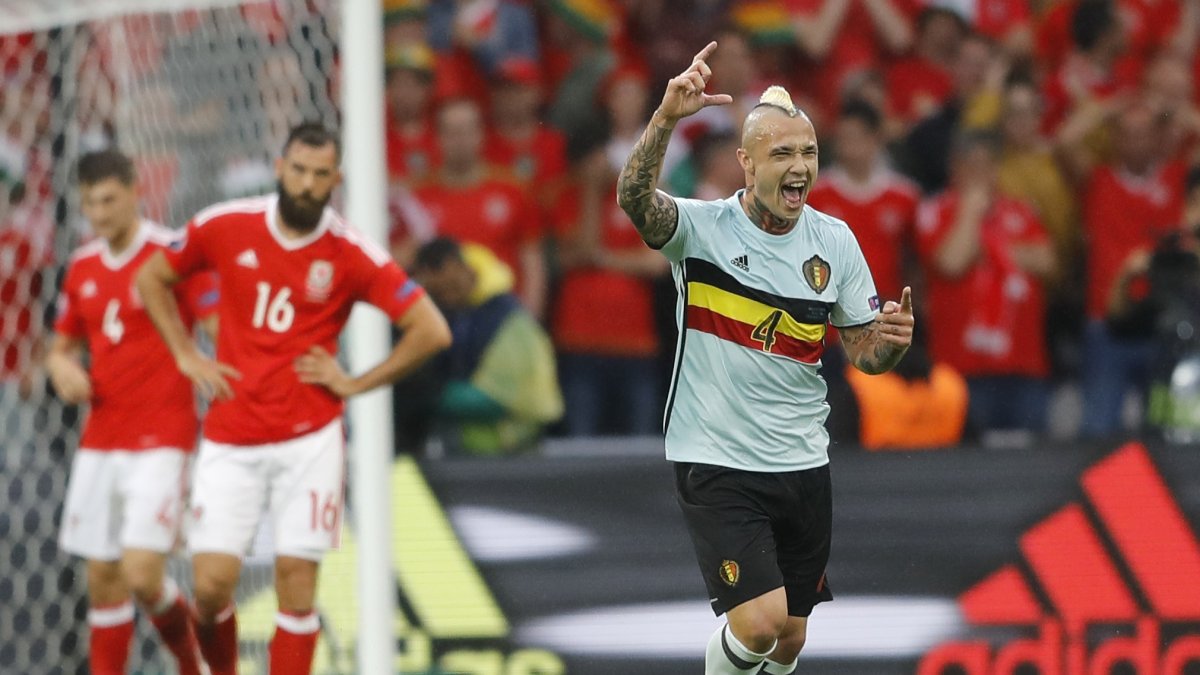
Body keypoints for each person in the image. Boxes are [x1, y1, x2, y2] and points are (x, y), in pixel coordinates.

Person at [616, 42, 915, 675]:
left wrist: (885, 346)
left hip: (803, 459)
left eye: (807, 152)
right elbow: (634, 201)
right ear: (747, 164)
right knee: (756, 623)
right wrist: (667, 117)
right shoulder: (701, 231)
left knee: (789, 640)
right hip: (716, 458)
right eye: (782, 154)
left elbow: (862, 351)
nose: (799, 166)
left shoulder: (835, 241)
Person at [135, 123, 452, 675]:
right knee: (210, 589)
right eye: (298, 171)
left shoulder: (350, 252)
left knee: (297, 585)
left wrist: (356, 382)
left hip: (310, 437)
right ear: (280, 169)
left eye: (319, 175)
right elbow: (153, 276)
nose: (306, 184)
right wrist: (186, 355)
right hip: (232, 432)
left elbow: (431, 329)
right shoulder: (225, 224)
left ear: (337, 179)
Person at [46, 150, 216, 675]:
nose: (99, 214)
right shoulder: (82, 266)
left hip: (163, 436)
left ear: (135, 190)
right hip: (102, 436)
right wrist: (62, 369)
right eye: (90, 203)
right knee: (103, 578)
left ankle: (192, 663)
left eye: (109, 200)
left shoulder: (173, 255)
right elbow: (61, 346)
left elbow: (217, 325)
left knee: (142, 575)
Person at [410, 237, 562, 454]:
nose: (440, 296)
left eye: (441, 288)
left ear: (454, 266)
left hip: (511, 449)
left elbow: (500, 398)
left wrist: (431, 395)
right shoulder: (464, 313)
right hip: (472, 449)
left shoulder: (505, 321)